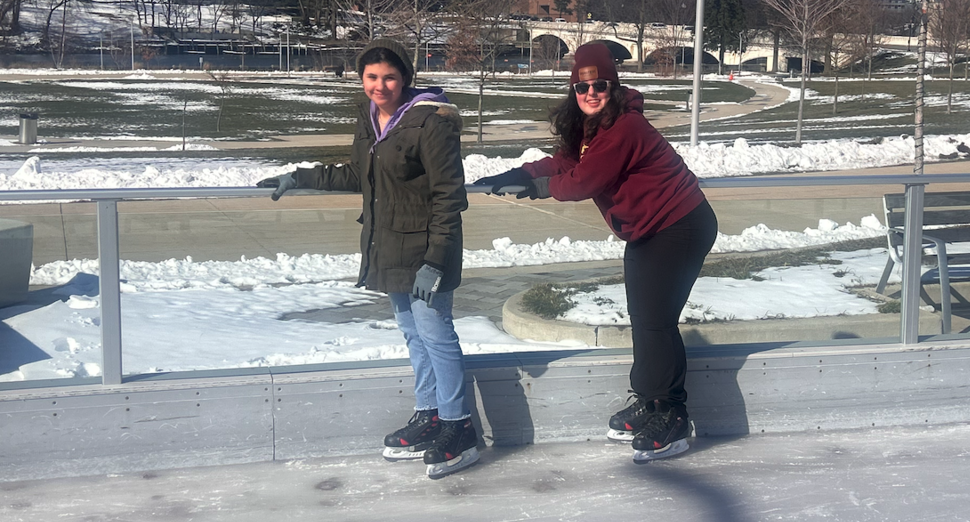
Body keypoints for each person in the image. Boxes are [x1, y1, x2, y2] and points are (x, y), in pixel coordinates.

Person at [475, 42, 718, 464]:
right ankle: (650, 400)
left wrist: (539, 188)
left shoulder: (626, 127)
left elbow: (583, 180)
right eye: (582, 87)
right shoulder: (593, 127)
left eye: (600, 85)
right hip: (649, 228)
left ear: (613, 87)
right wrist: (519, 173)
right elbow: (563, 163)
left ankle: (672, 414)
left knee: (656, 321)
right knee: (645, 319)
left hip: (680, 225)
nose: (591, 93)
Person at [257, 38, 478, 479]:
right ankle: (430, 413)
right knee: (414, 335)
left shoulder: (430, 122)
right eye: (372, 77)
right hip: (387, 245)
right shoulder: (370, 118)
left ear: (405, 78)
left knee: (436, 335)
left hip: (426, 250)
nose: (380, 85)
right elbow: (360, 174)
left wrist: (436, 260)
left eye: (389, 77)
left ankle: (459, 426)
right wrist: (299, 176)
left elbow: (449, 196)